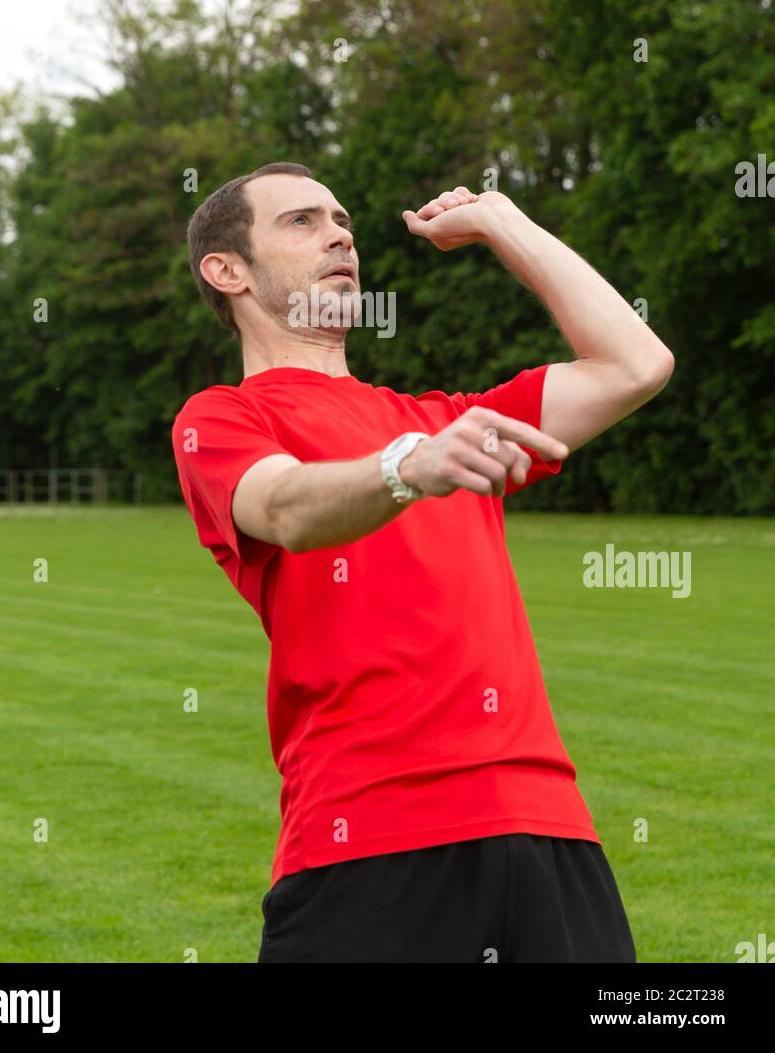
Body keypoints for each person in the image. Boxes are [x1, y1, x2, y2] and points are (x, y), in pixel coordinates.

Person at [171, 161, 674, 963]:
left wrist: (504, 223)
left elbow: (635, 366)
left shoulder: (449, 421)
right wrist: (405, 470)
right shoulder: (223, 418)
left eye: (343, 221)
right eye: (301, 221)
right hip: (367, 843)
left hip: (548, 831)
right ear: (227, 271)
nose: (340, 234)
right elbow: (288, 507)